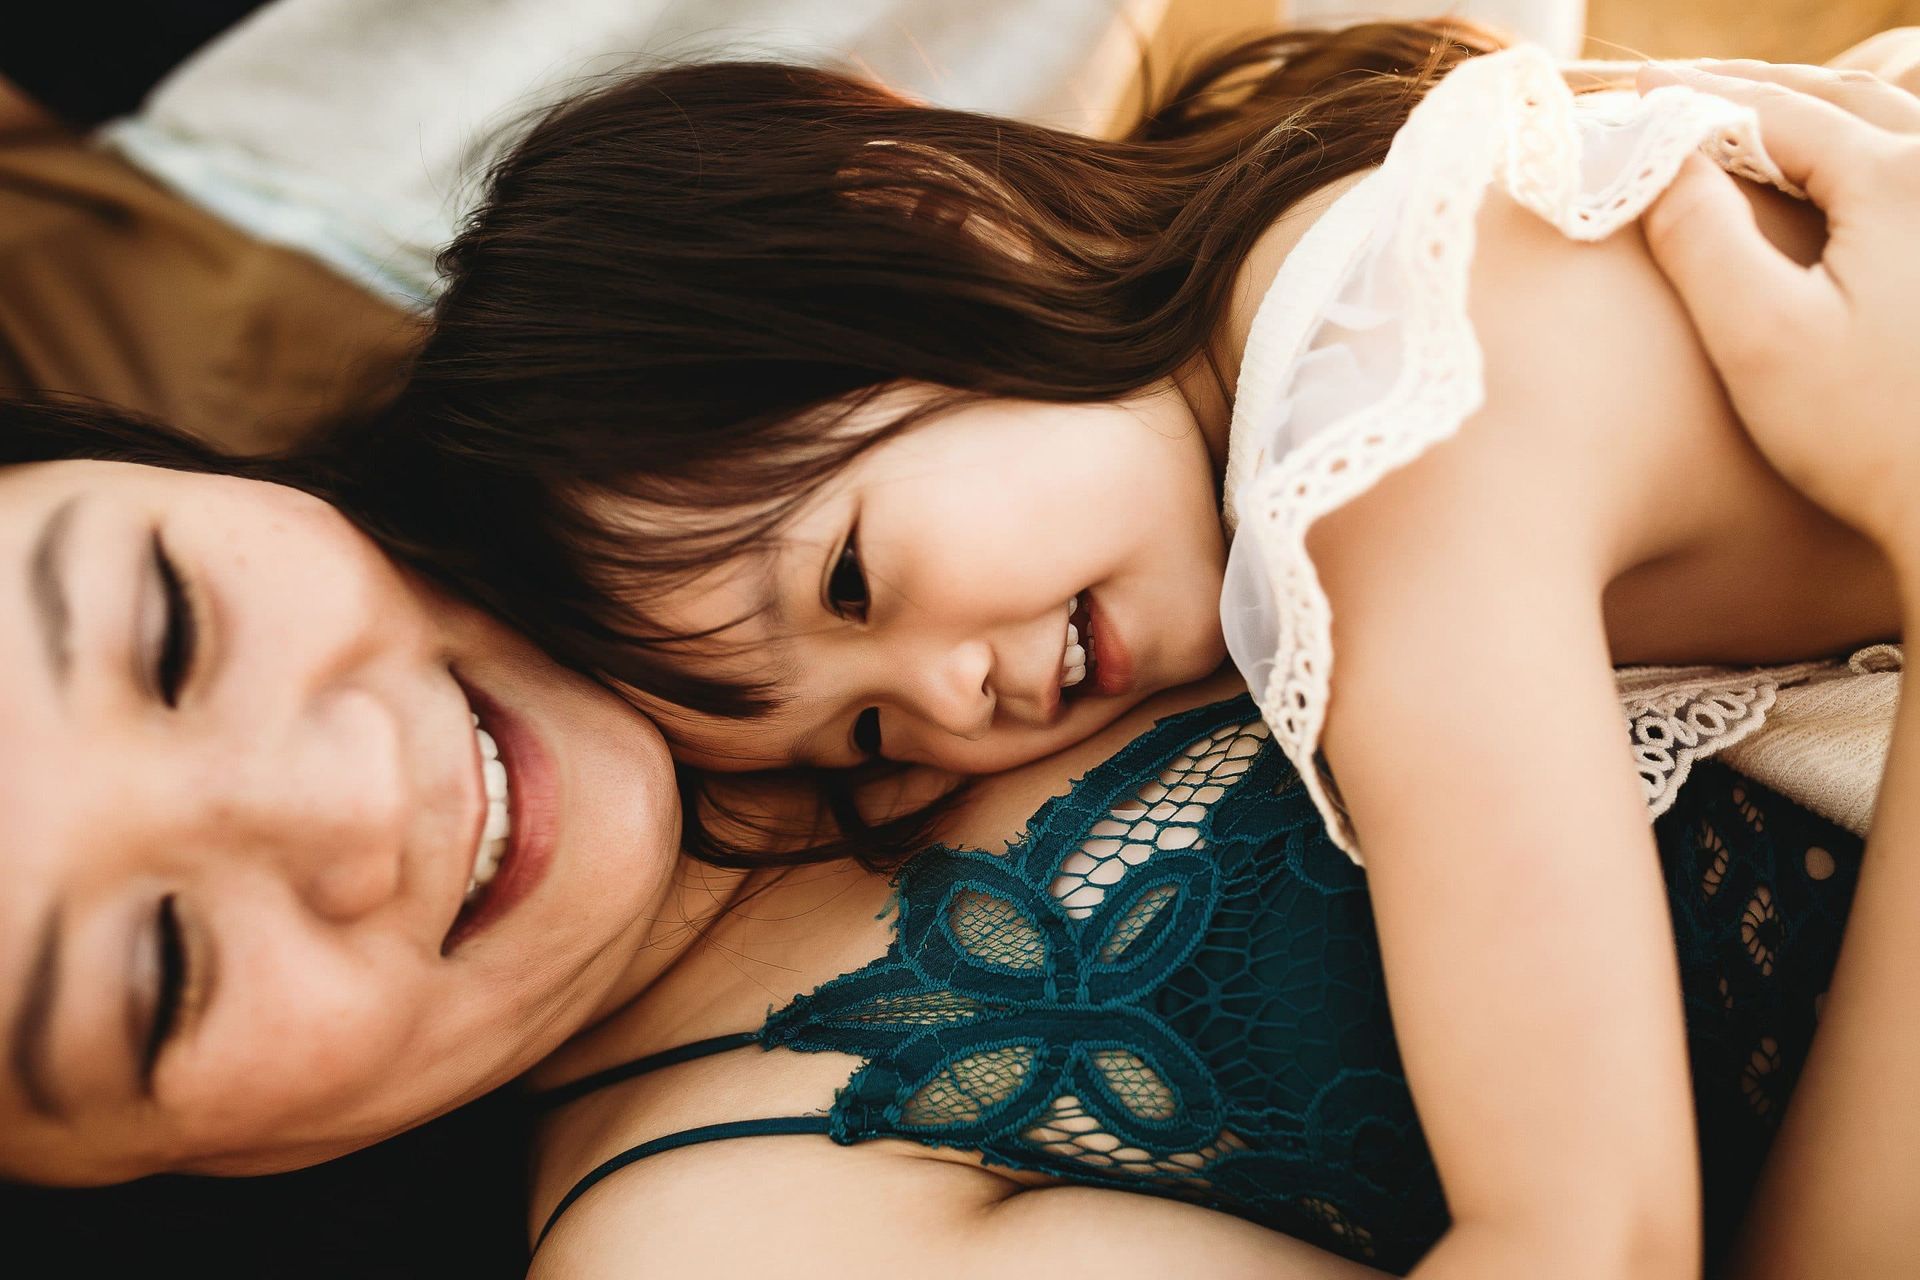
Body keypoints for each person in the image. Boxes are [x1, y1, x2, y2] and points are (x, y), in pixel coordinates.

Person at [354, 20, 1906, 1274]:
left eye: (849, 583)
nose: (952, 700)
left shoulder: (1370, 454)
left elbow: (1588, 1235)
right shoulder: (1334, 214)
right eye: (866, 744)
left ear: (933, 221)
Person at [0, 393, 1887, 1278]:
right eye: (159, 969)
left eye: (170, 628)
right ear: (152, 1175)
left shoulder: (713, 396)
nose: (347, 802)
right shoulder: (725, 1242)